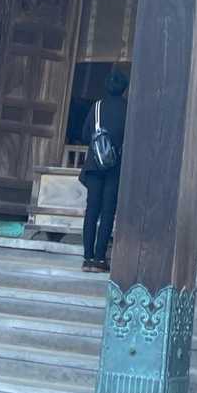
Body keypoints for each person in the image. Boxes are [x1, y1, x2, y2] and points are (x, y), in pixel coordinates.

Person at [79, 69, 129, 273]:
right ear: (124, 89)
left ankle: (87, 258)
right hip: (115, 166)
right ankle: (100, 259)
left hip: (94, 165)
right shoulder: (128, 109)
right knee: (108, 212)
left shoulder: (97, 107)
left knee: (91, 211)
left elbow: (85, 135)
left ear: (106, 87)